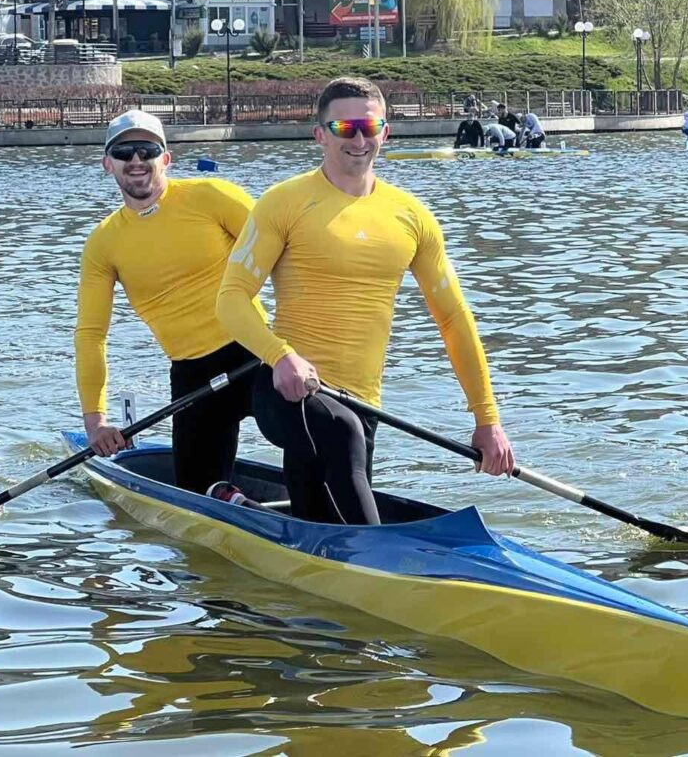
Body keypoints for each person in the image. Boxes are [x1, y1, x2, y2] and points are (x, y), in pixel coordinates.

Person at [217, 76, 515, 525]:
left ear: (385, 132)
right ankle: (380, 565)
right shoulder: (284, 203)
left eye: (368, 127)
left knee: (320, 513)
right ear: (320, 135)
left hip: (361, 401)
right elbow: (231, 300)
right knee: (340, 433)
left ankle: (260, 522)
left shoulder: (412, 216)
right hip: (285, 391)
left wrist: (487, 420)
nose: (358, 138)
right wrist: (281, 357)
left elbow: (454, 320)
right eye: (343, 129)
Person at [74, 109, 263, 493]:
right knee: (196, 489)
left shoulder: (213, 197)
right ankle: (228, 499)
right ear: (107, 164)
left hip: (257, 355)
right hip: (193, 374)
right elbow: (91, 335)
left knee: (305, 438)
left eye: (147, 149)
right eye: (125, 152)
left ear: (166, 158)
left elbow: (288, 256)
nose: (137, 161)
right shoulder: (102, 243)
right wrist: (96, 422)